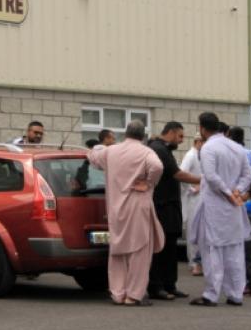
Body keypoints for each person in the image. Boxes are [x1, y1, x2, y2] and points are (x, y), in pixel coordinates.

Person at [87, 120, 165, 306]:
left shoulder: (111, 151)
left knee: (118, 250)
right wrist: (148, 182)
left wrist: (97, 147)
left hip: (115, 207)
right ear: (143, 135)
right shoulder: (146, 152)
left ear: (125, 134)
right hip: (138, 206)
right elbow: (158, 167)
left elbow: (93, 156)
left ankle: (117, 293)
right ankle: (134, 295)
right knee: (139, 251)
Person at [188, 112, 251, 307]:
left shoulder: (208, 148)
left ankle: (211, 294)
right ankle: (236, 294)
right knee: (234, 250)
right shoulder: (237, 147)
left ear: (202, 128)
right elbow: (247, 176)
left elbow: (211, 176)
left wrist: (227, 192)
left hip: (215, 206)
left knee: (212, 251)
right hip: (233, 208)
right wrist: (237, 191)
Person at [147, 122, 201, 300]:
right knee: (160, 247)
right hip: (162, 206)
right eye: (180, 136)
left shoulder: (164, 149)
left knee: (170, 247)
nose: (181, 140)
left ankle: (170, 284)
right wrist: (203, 180)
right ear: (170, 133)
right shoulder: (159, 149)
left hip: (170, 206)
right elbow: (177, 173)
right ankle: (157, 286)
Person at [180, 133, 204, 275]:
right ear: (198, 142)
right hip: (194, 199)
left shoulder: (200, 155)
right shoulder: (191, 155)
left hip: (201, 198)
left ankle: (198, 262)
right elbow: (182, 174)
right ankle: (194, 262)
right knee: (193, 231)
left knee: (200, 231)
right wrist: (192, 188)